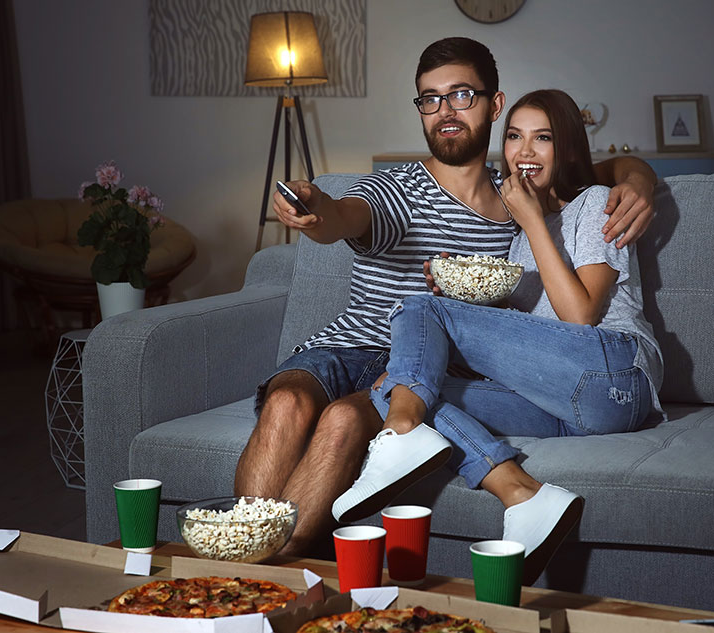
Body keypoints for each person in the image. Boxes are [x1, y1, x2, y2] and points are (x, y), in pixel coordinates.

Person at [234, 37, 658, 556]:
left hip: (422, 366)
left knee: (351, 414)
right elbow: (346, 214)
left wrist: (638, 177)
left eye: (461, 95)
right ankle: (246, 567)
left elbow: (581, 174)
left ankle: (273, 570)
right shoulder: (396, 188)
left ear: (493, 105)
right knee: (286, 401)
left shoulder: (519, 199)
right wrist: (317, 208)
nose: (445, 112)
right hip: (354, 347)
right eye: (430, 99)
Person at [331, 89, 665, 584]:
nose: (525, 151)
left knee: (419, 310)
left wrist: (532, 221)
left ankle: (398, 438)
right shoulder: (513, 237)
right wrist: (460, 293)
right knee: (389, 387)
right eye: (514, 136)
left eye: (542, 138)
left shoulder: (593, 204)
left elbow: (579, 317)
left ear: (568, 150)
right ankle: (524, 495)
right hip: (567, 406)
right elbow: (527, 339)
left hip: (617, 375)